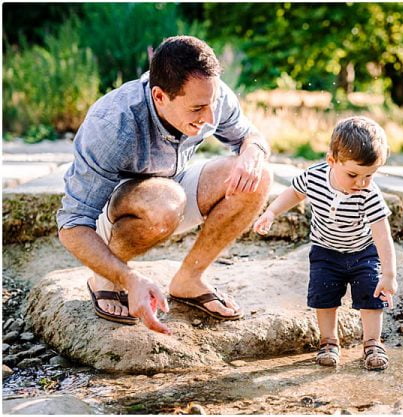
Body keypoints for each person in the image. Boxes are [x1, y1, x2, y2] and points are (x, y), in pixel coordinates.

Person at [57, 36, 272, 334]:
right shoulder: (112, 124)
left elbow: (251, 136)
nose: (210, 117)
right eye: (197, 109)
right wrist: (129, 278)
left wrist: (253, 151)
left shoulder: (210, 94)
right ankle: (105, 277)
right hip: (115, 213)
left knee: (259, 176)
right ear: (159, 96)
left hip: (173, 192)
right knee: (166, 199)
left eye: (212, 104)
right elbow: (71, 226)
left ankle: (189, 279)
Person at [252, 116, 397, 371]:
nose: (361, 183)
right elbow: (295, 193)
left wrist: (389, 274)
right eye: (353, 174)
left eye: (369, 175)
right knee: (324, 296)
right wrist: (271, 212)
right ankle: (329, 342)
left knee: (371, 295)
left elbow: (382, 234)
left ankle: (373, 343)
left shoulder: (369, 194)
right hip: (325, 251)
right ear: (332, 160)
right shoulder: (315, 177)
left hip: (363, 252)